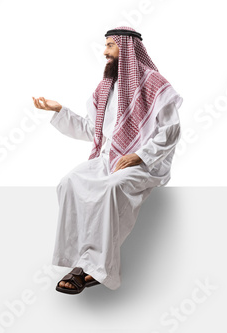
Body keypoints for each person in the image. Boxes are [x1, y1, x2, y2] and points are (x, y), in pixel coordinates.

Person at [32, 27, 182, 294]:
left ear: (126, 48)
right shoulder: (105, 87)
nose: (105, 52)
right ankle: (77, 260)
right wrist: (59, 110)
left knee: (111, 189)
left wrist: (140, 155)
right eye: (105, 46)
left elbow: (170, 130)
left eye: (110, 46)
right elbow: (93, 130)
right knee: (69, 182)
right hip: (106, 158)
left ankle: (91, 269)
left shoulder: (154, 84)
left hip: (142, 163)